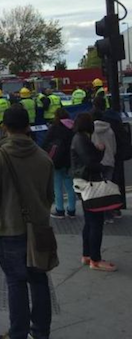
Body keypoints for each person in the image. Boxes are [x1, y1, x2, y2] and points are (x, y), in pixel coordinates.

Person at [0, 106, 54, 339]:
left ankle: (18, 333)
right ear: (28, 127)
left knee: (16, 283)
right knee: (39, 280)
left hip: (9, 229)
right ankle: (41, 332)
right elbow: (49, 196)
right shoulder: (44, 157)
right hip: (39, 229)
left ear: (4, 127)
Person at [71, 113, 116, 272]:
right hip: (90, 183)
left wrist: (98, 151)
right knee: (96, 222)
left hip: (82, 183)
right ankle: (95, 259)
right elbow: (91, 162)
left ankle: (87, 254)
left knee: (90, 221)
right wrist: (101, 156)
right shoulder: (82, 139)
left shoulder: (78, 138)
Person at [42, 108, 75, 218]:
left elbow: (45, 142)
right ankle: (71, 210)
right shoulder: (73, 128)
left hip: (56, 160)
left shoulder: (54, 128)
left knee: (57, 186)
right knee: (70, 186)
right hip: (69, 161)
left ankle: (59, 210)